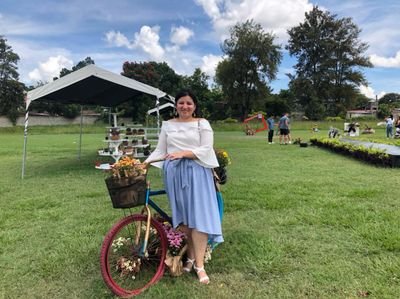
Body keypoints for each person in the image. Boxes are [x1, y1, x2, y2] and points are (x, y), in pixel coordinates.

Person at [145, 89, 222, 285]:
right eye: (181, 103)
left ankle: (199, 266)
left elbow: (206, 149)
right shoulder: (168, 125)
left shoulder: (201, 124)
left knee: (200, 217)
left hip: (197, 173)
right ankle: (189, 256)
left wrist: (184, 153)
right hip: (174, 174)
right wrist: (142, 164)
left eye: (189, 103)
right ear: (175, 105)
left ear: (194, 106)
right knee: (183, 219)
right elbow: (160, 150)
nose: (185, 106)